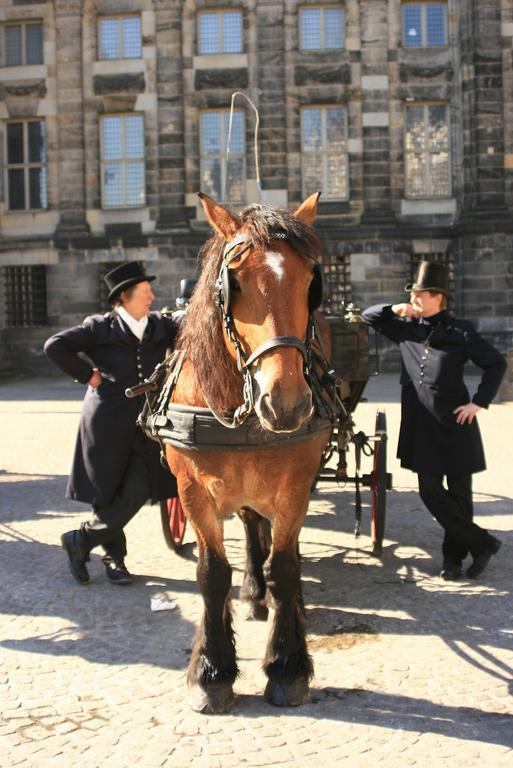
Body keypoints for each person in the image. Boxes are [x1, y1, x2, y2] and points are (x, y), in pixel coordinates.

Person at [362, 261, 506, 581]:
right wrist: (397, 308)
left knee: (459, 493)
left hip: (456, 423)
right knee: (429, 490)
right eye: (413, 293)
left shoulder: (461, 331)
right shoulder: (406, 328)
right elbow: (369, 316)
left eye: (421, 294)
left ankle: (453, 561)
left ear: (438, 298)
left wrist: (478, 403)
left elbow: (495, 364)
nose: (415, 298)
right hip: (421, 424)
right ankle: (482, 543)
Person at [44, 261, 180, 586]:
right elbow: (55, 346)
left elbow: (190, 326)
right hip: (106, 421)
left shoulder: (162, 326)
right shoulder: (98, 328)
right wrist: (90, 376)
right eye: (145, 293)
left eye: (150, 292)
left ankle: (80, 539)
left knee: (141, 487)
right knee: (106, 492)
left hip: (147, 422)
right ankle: (114, 560)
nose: (152, 297)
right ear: (124, 298)